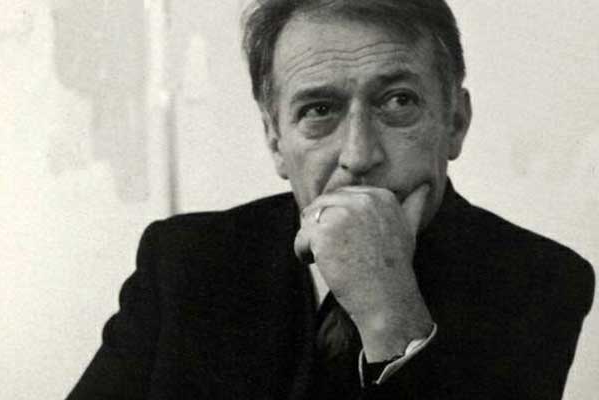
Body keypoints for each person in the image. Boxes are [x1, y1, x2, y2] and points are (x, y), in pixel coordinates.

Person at [67, 1, 594, 399]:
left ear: (455, 122)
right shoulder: (184, 259)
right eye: (319, 110)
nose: (359, 155)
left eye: (398, 102)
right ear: (276, 141)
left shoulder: (538, 278)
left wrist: (390, 313)